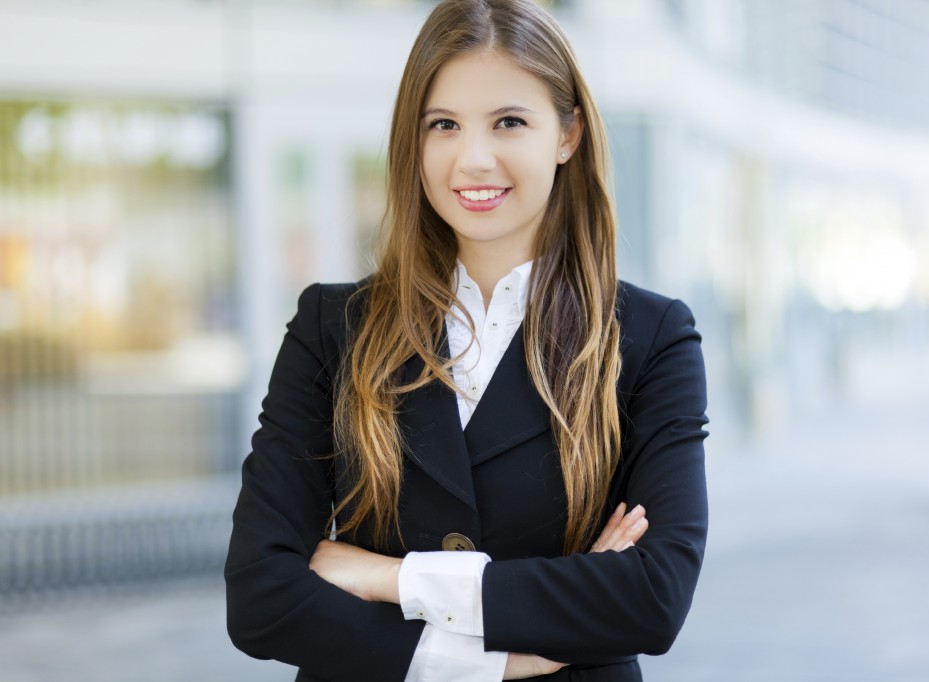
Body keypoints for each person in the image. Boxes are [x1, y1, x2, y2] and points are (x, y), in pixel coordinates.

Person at [224, 0, 709, 680]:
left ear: (567, 134)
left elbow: (653, 597)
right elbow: (259, 596)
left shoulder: (650, 339)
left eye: (509, 122)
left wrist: (394, 579)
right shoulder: (332, 329)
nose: (473, 158)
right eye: (444, 125)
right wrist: (499, 660)